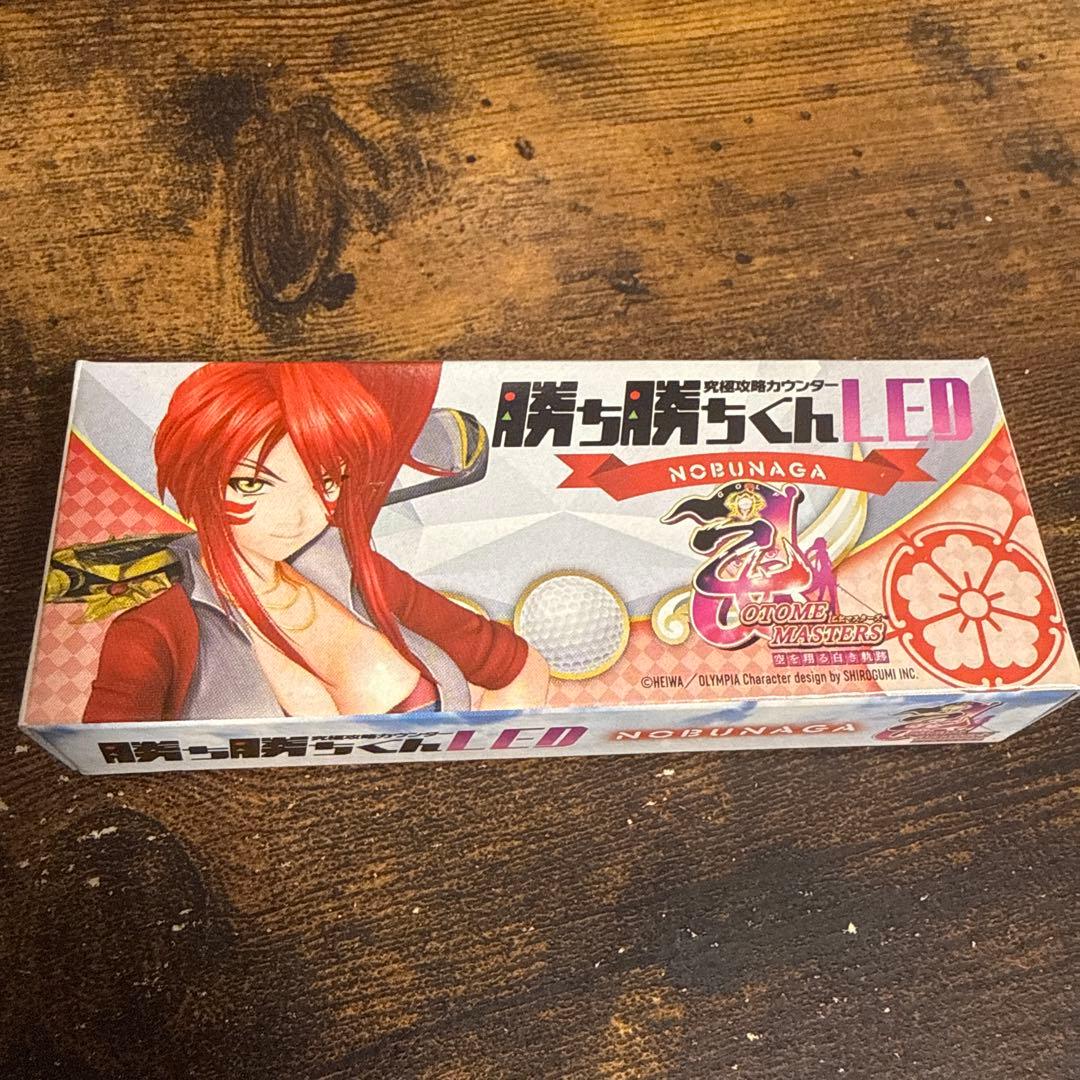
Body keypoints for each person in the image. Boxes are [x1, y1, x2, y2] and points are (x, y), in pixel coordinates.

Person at [82, 362, 550, 722]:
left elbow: (520, 668)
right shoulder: (153, 633)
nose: (297, 517)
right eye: (251, 484)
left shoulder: (353, 570)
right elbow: (108, 755)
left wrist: (474, 760)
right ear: (195, 475)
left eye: (325, 481)